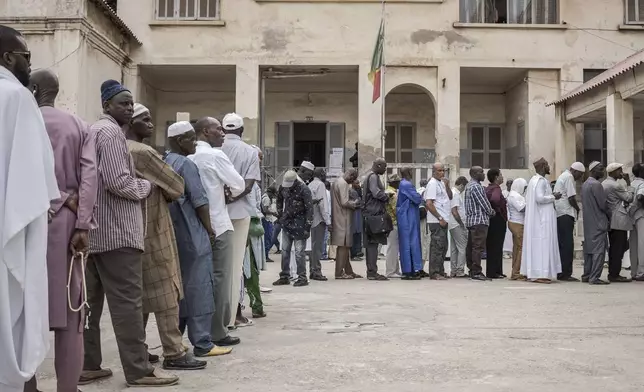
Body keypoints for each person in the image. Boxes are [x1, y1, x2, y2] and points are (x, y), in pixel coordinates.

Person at [82, 80, 177, 386]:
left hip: (96, 232)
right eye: (122, 103)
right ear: (107, 105)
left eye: (130, 103)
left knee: (90, 304)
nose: (128, 107)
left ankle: (88, 364)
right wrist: (147, 186)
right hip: (118, 233)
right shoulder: (110, 134)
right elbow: (119, 182)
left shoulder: (96, 130)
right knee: (127, 305)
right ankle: (139, 371)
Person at [24, 69, 98, 392]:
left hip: (27, 221)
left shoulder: (22, 121)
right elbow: (91, 178)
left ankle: (26, 385)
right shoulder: (79, 126)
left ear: (34, 88)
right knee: (71, 309)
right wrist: (82, 223)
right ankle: (67, 387)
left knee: (24, 308)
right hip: (68, 226)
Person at [0, 26, 60, 392]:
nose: (28, 64)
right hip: (11, 226)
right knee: (13, 317)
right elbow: (33, 177)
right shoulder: (16, 97)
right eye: (25, 56)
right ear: (7, 57)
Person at [126, 108, 206, 371]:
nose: (151, 124)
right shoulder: (144, 153)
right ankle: (174, 351)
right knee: (167, 289)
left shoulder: (112, 147)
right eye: (144, 120)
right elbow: (176, 186)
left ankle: (138, 349)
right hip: (153, 226)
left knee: (137, 295)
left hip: (125, 230)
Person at [164, 120, 233, 358]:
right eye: (190, 139)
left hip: (175, 235)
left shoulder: (165, 161)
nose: (195, 143)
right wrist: (210, 229)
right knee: (201, 287)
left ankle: (177, 340)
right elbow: (200, 201)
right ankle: (203, 342)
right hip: (193, 234)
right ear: (178, 141)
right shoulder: (186, 164)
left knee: (180, 289)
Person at [190, 117, 246, 344]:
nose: (223, 133)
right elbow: (239, 184)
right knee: (221, 278)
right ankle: (218, 331)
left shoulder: (189, 157)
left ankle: (198, 330)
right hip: (219, 224)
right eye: (218, 129)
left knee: (198, 279)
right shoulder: (215, 155)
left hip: (196, 226)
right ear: (205, 132)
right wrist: (226, 193)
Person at [221, 113, 261, 327]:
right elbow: (248, 185)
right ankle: (233, 316)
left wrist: (223, 198)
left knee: (218, 266)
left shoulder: (215, 150)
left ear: (222, 129)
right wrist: (233, 197)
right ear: (242, 130)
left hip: (216, 213)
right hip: (239, 213)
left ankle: (218, 317)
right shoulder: (250, 152)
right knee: (236, 266)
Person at [521, 158, 562, 284]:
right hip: (542, 220)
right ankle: (541, 273)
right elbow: (539, 198)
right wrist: (553, 196)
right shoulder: (540, 181)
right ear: (543, 166)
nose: (550, 167)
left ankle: (537, 273)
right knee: (543, 245)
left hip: (540, 217)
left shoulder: (535, 180)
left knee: (540, 245)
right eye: (548, 165)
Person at [273, 170, 314, 287]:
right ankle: (284, 276)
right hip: (287, 223)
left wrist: (308, 227)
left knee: (299, 253)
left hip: (300, 225)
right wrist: (280, 213)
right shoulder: (283, 187)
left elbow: (309, 210)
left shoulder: (304, 189)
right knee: (285, 251)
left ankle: (302, 277)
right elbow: (279, 199)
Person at [242, 146, 267, 318]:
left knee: (253, 269)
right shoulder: (244, 182)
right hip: (245, 229)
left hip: (253, 228)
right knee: (247, 270)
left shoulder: (255, 183)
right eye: (258, 157)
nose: (260, 160)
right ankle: (254, 306)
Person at [602, 162, 634, 282]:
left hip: (611, 218)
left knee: (615, 247)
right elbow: (629, 198)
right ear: (613, 172)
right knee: (618, 248)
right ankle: (615, 274)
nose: (622, 172)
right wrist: (628, 183)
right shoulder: (616, 185)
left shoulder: (605, 183)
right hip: (618, 220)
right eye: (619, 170)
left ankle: (613, 272)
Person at [554, 162, 585, 282]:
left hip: (560, 214)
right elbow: (571, 198)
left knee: (562, 244)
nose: (580, 177)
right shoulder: (569, 177)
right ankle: (566, 273)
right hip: (566, 213)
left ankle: (561, 272)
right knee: (567, 245)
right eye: (581, 175)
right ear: (575, 171)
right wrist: (578, 209)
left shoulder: (563, 176)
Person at [362, 158, 392, 281]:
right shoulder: (373, 177)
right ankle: (372, 272)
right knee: (373, 244)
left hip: (369, 214)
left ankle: (371, 271)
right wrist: (387, 196)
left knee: (371, 244)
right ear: (378, 165)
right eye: (384, 167)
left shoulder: (370, 176)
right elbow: (376, 193)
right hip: (373, 215)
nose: (385, 169)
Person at [582, 162, 611, 285]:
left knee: (589, 250)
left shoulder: (585, 184)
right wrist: (610, 215)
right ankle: (594, 277)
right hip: (598, 222)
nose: (603, 172)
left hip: (588, 223)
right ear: (593, 170)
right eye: (600, 169)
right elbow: (603, 204)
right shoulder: (596, 185)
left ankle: (587, 275)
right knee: (599, 251)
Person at [464, 166, 495, 281]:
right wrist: (491, 211)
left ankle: (472, 270)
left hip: (472, 221)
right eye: (481, 172)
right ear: (475, 174)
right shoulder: (476, 187)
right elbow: (484, 203)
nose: (484, 174)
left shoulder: (468, 186)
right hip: (479, 221)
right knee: (478, 247)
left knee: (472, 247)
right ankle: (476, 271)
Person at [331, 169, 363, 279]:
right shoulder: (343, 184)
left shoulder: (337, 182)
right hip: (343, 218)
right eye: (353, 179)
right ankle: (339, 273)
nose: (352, 181)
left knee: (345, 247)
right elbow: (344, 202)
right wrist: (355, 203)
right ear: (351, 175)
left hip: (339, 217)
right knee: (343, 246)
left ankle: (349, 271)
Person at [425, 163, 453, 280]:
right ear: (434, 172)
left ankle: (440, 270)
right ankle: (434, 272)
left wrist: (447, 185)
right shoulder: (432, 184)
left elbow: (450, 197)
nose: (442, 173)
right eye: (440, 171)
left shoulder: (441, 183)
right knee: (437, 246)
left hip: (444, 219)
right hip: (436, 220)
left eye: (443, 171)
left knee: (443, 247)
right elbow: (429, 203)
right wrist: (439, 218)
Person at [397, 168, 424, 280]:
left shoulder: (403, 184)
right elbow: (417, 199)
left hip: (407, 215)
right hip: (408, 216)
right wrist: (420, 196)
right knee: (410, 242)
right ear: (408, 173)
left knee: (408, 243)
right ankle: (409, 271)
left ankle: (411, 270)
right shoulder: (407, 184)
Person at [308, 168, 331, 281]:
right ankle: (316, 271)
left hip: (312, 220)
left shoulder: (311, 184)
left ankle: (312, 271)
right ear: (321, 174)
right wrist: (328, 221)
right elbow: (323, 205)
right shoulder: (320, 185)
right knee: (317, 248)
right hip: (319, 220)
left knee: (313, 247)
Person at [484, 168, 507, 279]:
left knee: (492, 245)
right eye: (501, 175)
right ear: (496, 177)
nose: (502, 177)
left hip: (491, 220)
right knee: (497, 246)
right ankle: (495, 272)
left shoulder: (488, 188)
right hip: (498, 219)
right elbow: (495, 200)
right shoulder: (496, 189)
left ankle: (495, 270)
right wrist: (498, 209)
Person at [506, 178, 527, 281]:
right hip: (518, 223)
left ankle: (515, 270)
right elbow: (521, 208)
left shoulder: (515, 194)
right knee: (520, 249)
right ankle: (516, 272)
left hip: (516, 222)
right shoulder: (514, 195)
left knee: (517, 248)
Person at [449, 176, 469, 278]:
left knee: (454, 249)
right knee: (462, 248)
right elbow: (454, 211)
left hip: (452, 225)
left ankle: (453, 271)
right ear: (461, 185)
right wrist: (461, 224)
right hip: (457, 224)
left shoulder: (452, 192)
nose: (464, 190)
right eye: (464, 187)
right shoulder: (456, 194)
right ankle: (460, 270)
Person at [629, 163, 644, 280]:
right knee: (642, 244)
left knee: (633, 245)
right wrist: (637, 207)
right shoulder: (642, 183)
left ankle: (634, 271)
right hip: (640, 215)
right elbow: (640, 197)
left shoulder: (631, 183)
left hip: (631, 216)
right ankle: (641, 272)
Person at [385, 174, 402, 278]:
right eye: (398, 182)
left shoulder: (388, 191)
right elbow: (396, 210)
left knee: (393, 247)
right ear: (394, 183)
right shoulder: (392, 194)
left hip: (389, 223)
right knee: (392, 248)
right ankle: (391, 271)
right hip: (393, 223)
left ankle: (395, 270)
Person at [261, 186, 278, 261]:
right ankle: (265, 256)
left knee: (268, 238)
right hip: (267, 220)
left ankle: (265, 255)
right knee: (268, 238)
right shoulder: (267, 199)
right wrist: (273, 213)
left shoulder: (264, 196)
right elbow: (265, 210)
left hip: (266, 220)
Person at [351, 181, 364, 260]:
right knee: (354, 235)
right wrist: (359, 204)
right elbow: (353, 204)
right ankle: (354, 254)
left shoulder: (357, 191)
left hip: (358, 216)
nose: (358, 185)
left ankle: (357, 253)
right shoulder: (352, 192)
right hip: (354, 216)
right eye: (356, 183)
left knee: (357, 234)